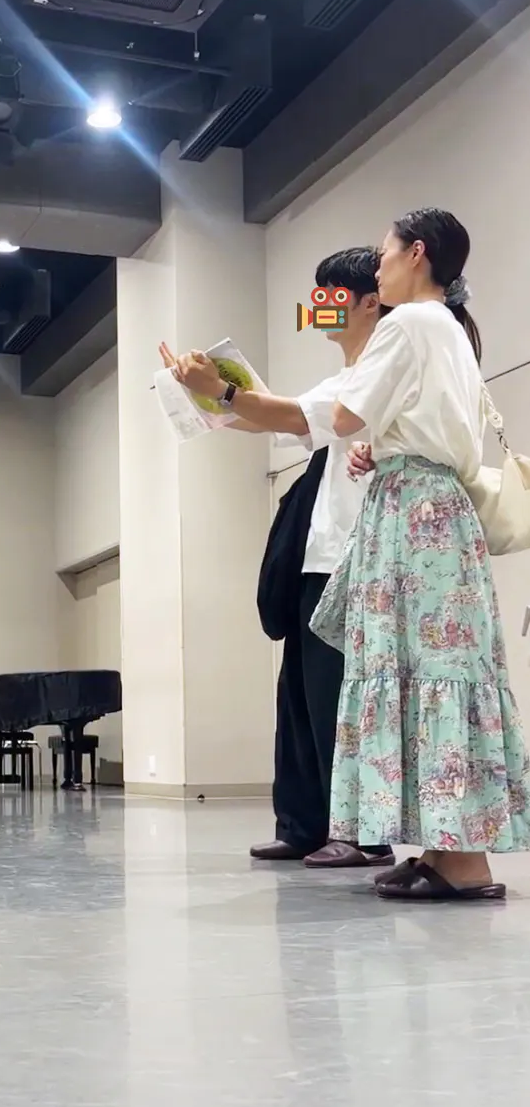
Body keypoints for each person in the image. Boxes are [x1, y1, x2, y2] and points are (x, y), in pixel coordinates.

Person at [310, 207, 530, 901]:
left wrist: (364, 429)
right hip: (435, 509)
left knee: (427, 670)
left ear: (416, 253)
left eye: (383, 254)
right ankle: (443, 850)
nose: (376, 268)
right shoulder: (450, 329)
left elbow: (343, 415)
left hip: (415, 518)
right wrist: (385, 446)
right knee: (436, 669)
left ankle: (464, 861)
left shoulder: (406, 323)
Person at [160, 248, 393, 869]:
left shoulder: (379, 370)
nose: (318, 305)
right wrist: (200, 390)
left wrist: (222, 389)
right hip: (319, 557)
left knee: (339, 699)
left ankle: (362, 833)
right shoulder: (343, 377)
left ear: (369, 301)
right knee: (301, 699)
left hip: (358, 557)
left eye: (330, 294)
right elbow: (271, 420)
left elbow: (284, 415)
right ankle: (305, 825)